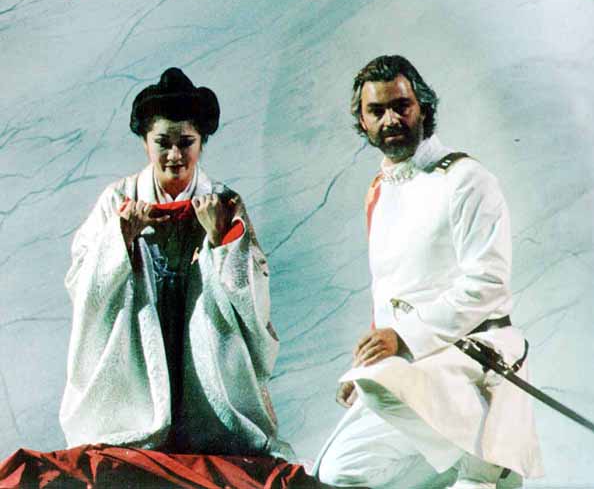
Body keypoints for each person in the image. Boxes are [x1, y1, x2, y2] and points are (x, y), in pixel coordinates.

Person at [314, 55, 543, 488]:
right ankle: (482, 458)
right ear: (362, 121)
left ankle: (486, 459)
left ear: (423, 107)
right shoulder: (379, 191)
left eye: (401, 106)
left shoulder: (466, 178)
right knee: (338, 473)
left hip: (472, 357)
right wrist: (369, 364)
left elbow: (487, 285)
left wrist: (401, 339)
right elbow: (390, 293)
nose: (390, 120)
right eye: (377, 111)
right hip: (409, 365)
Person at [59, 67, 289, 458]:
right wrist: (120, 238)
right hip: (137, 344)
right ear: (145, 143)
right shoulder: (118, 199)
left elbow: (254, 292)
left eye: (187, 142)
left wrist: (221, 238)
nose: (175, 156)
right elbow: (81, 282)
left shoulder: (224, 202)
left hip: (205, 345)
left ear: (202, 143)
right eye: (162, 143)